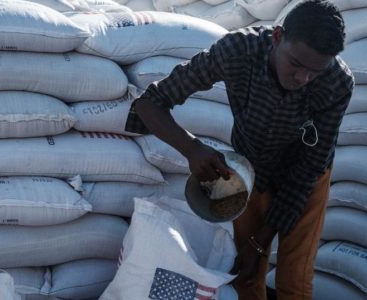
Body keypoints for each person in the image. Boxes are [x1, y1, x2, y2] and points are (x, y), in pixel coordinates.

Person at [124, 0, 354, 299]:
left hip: (305, 178)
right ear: (277, 37)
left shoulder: (337, 82)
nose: (303, 79)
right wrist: (192, 149)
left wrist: (260, 243)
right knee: (245, 277)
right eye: (296, 64)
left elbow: (307, 171)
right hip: (249, 171)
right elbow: (149, 104)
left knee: (294, 281)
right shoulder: (237, 51)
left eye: (315, 72)